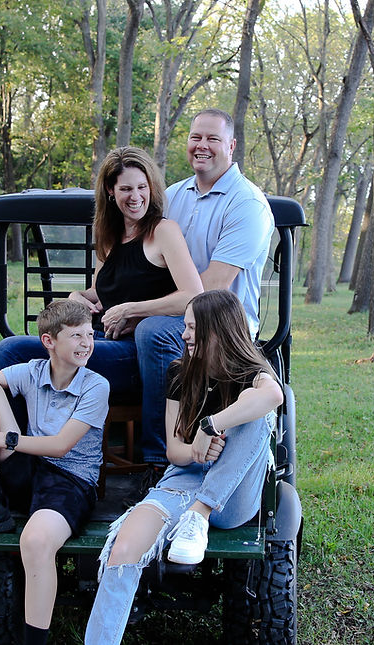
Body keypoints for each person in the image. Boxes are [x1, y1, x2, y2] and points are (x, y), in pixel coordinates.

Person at [83, 290, 285, 645]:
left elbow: (274, 397)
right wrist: (196, 450)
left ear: (218, 331)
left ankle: (199, 512)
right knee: (124, 548)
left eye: (192, 327)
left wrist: (211, 425)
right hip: (184, 479)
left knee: (256, 413)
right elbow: (174, 451)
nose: (184, 334)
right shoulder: (180, 372)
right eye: (186, 326)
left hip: (231, 496)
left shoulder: (254, 374)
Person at [0, 146, 203, 401]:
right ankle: (11, 430)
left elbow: (193, 294)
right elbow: (99, 292)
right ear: (110, 190)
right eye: (126, 189)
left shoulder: (163, 231)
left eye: (142, 187)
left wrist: (130, 310)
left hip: (132, 351)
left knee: (12, 350)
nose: (136, 196)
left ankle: (21, 439)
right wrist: (77, 295)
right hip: (95, 338)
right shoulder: (108, 234)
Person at [0, 300, 110, 645]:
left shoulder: (96, 385)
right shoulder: (33, 371)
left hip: (70, 480)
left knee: (34, 542)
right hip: (30, 467)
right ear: (49, 341)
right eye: (76, 335)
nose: (87, 343)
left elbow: (61, 446)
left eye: (90, 335)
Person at [132, 109, 274, 486]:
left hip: (224, 327)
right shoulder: (174, 196)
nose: (202, 146)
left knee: (153, 333)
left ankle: (156, 459)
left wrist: (141, 311)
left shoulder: (248, 205)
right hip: (172, 313)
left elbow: (211, 288)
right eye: (196, 137)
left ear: (231, 146)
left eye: (212, 139)